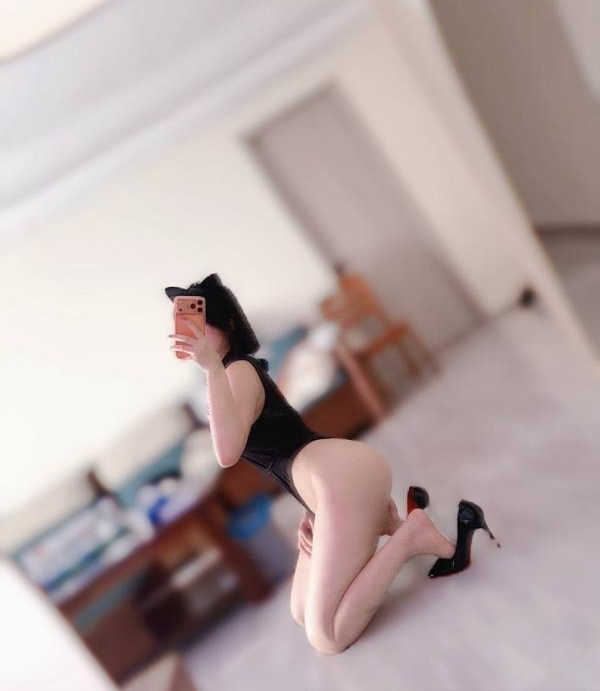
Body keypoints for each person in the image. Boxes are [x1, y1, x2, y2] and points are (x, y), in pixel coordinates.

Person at [165, 273, 499, 655]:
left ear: (226, 325)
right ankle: (392, 525)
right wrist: (312, 511)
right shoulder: (224, 379)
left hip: (341, 477)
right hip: (328, 484)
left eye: (199, 321)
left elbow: (226, 454)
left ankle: (410, 535)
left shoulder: (235, 371)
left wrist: (210, 368)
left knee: (327, 637)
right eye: (184, 321)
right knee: (300, 611)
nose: (190, 331)